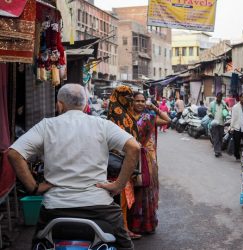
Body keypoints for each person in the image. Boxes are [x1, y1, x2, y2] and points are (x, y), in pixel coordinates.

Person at [8, 84, 140, 250]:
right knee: (125, 246)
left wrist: (34, 187)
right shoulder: (102, 124)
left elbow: (14, 153)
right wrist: (118, 185)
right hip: (99, 206)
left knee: (38, 244)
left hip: (55, 208)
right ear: (85, 105)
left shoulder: (47, 125)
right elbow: (134, 148)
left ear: (60, 104)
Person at [128, 92, 171, 234]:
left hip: (146, 158)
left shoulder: (149, 117)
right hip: (130, 157)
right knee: (131, 189)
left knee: (145, 189)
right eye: (137, 101)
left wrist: (153, 107)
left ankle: (144, 224)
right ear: (132, 102)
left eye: (142, 101)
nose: (140, 103)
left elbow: (167, 120)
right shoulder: (126, 117)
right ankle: (130, 224)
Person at [108, 85, 141, 240]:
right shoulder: (117, 112)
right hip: (119, 162)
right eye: (126, 96)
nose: (129, 100)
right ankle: (123, 231)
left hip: (127, 160)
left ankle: (124, 228)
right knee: (121, 197)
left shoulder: (125, 111)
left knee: (125, 197)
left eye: (130, 97)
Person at [229, 92, 243, 161]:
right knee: (237, 144)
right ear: (240, 98)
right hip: (237, 128)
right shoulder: (235, 107)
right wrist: (231, 127)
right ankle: (237, 156)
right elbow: (233, 118)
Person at [208, 92, 228, 157]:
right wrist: (210, 115)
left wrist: (226, 112)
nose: (219, 98)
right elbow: (208, 111)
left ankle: (219, 150)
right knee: (216, 138)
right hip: (214, 123)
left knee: (220, 138)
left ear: (221, 97)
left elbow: (226, 110)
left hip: (221, 123)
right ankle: (217, 151)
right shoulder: (212, 104)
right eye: (218, 97)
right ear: (216, 97)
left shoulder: (223, 103)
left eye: (220, 97)